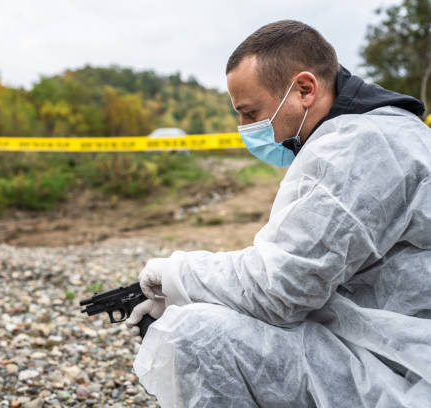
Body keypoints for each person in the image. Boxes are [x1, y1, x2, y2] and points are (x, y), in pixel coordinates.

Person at [125, 20, 431, 407]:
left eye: (251, 113)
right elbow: (298, 267)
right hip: (398, 346)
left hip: (403, 370)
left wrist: (175, 276)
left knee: (196, 334)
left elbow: (281, 289)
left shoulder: (356, 148)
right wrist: (193, 289)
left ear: (304, 89)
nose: (244, 127)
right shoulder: (387, 130)